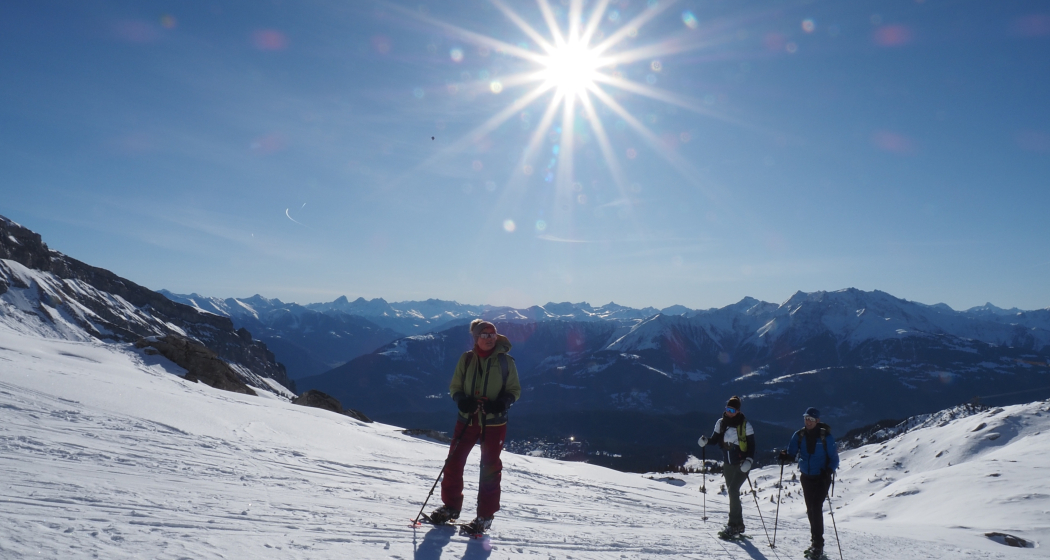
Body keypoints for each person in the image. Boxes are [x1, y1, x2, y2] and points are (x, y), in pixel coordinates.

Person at [428, 319, 521, 535]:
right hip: (467, 418)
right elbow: (455, 386)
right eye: (484, 334)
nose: (489, 338)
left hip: (494, 421)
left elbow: (514, 389)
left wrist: (503, 402)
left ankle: (484, 516)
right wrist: (461, 399)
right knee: (453, 462)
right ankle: (451, 506)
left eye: (492, 334)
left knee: (489, 468)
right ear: (476, 338)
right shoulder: (467, 359)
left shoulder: (506, 361)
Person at [779, 407, 840, 560]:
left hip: (822, 478)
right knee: (810, 510)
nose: (808, 421)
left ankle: (818, 544)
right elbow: (792, 453)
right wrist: (784, 456)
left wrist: (829, 470)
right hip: (806, 477)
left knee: (816, 507)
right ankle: (815, 541)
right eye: (806, 418)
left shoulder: (826, 437)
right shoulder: (799, 435)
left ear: (817, 421)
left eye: (811, 419)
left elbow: (834, 459)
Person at [697, 396, 756, 539]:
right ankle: (739, 524)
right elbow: (715, 440)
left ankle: (732, 525)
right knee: (732, 494)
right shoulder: (721, 423)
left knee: (733, 490)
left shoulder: (745, 425)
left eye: (732, 410)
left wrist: (749, 460)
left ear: (737, 411)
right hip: (728, 464)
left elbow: (752, 446)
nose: (729, 412)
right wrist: (706, 441)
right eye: (727, 409)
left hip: (742, 464)